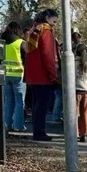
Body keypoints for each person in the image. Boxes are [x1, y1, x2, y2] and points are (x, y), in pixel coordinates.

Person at [24, 9, 59, 141]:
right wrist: (53, 74)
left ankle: (37, 131)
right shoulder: (46, 31)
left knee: (36, 105)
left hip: (32, 75)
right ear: (48, 18)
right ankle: (40, 132)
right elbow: (48, 54)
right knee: (42, 105)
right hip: (43, 75)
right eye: (54, 21)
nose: (54, 24)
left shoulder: (34, 30)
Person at [1, 21, 27, 132]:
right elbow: (26, 59)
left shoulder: (2, 42)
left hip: (5, 74)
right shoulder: (21, 42)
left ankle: (7, 124)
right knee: (20, 101)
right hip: (19, 74)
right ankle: (18, 125)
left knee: (8, 101)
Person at [74, 43, 87, 143]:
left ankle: (74, 132)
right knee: (85, 114)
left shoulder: (72, 64)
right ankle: (84, 133)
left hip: (75, 91)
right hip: (86, 92)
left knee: (74, 114)